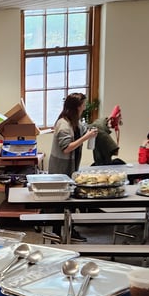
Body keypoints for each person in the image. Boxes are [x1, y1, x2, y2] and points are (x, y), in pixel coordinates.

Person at [47, 93, 98, 242]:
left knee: (69, 200)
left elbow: (83, 129)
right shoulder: (63, 124)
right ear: (78, 106)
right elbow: (66, 148)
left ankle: (70, 229)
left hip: (71, 167)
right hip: (60, 168)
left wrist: (93, 130)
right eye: (84, 104)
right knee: (60, 202)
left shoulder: (74, 121)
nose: (85, 106)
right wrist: (86, 137)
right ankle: (56, 233)